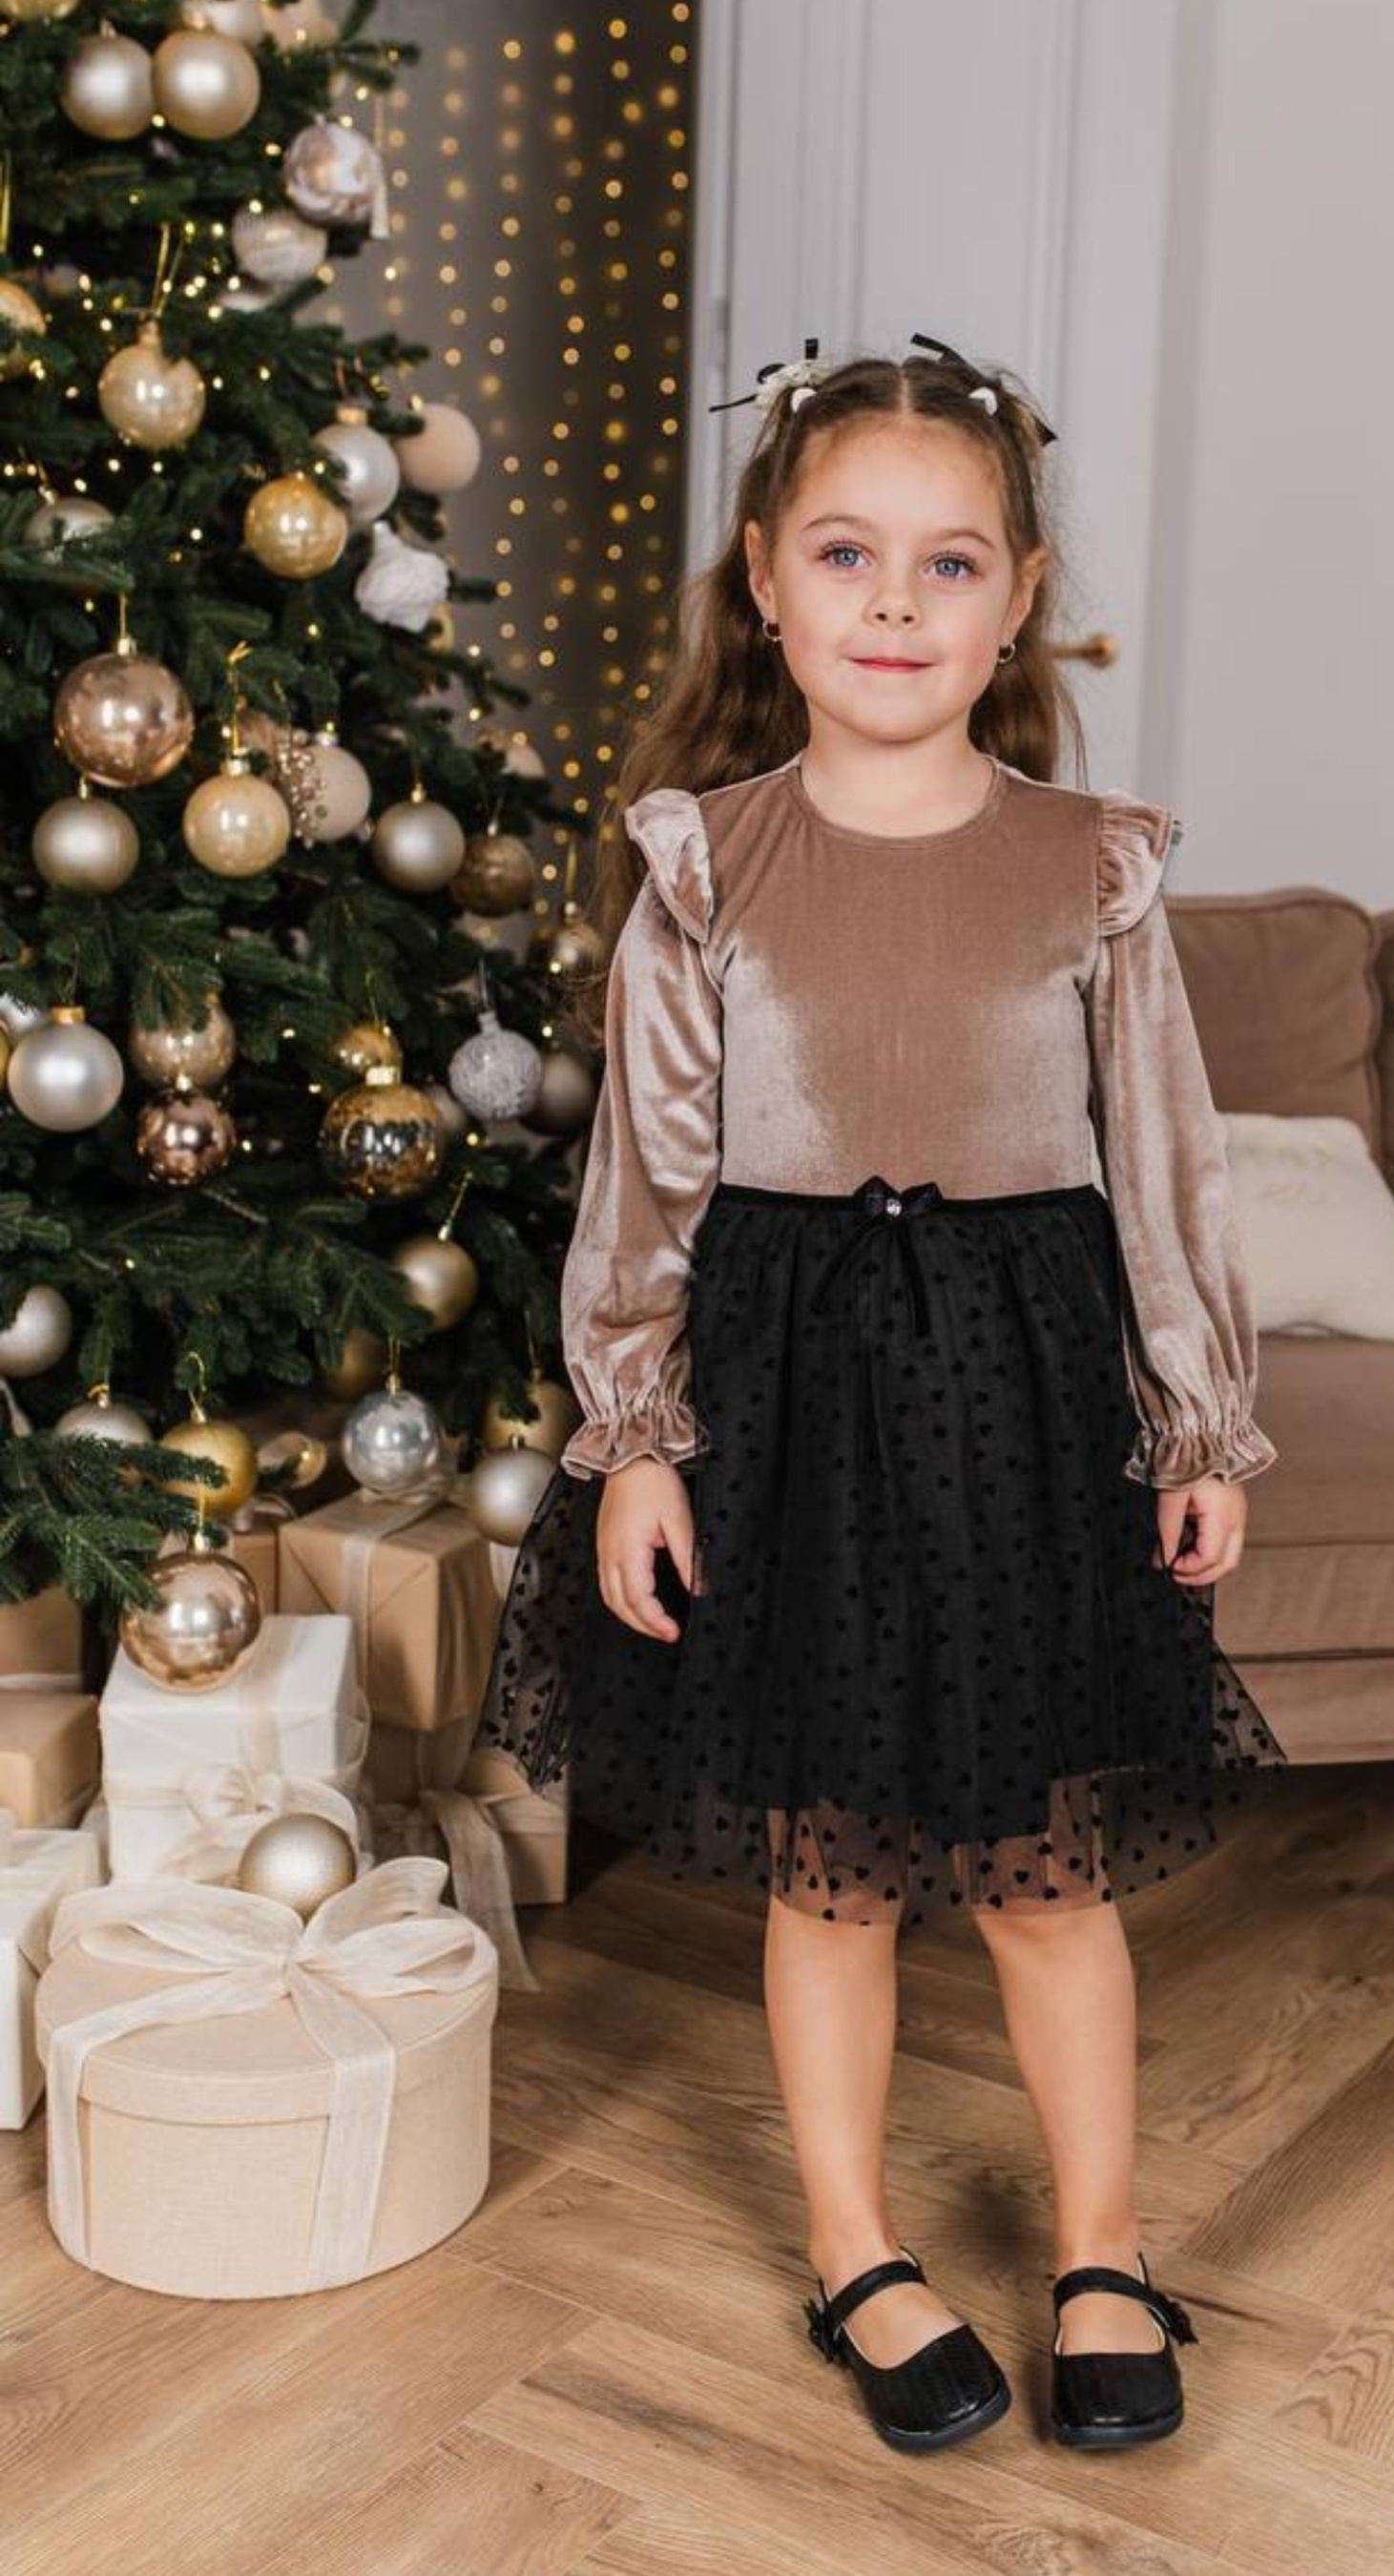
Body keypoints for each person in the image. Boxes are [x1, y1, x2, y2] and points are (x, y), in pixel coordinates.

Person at [475, 328, 1293, 2456]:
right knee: (826, 1864)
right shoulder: (704, 865)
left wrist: (1195, 1423)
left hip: (1027, 1397)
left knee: (1042, 1869)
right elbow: (642, 1186)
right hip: (786, 1401)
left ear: (1017, 601)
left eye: (950, 563)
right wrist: (636, 1449)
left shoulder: (1091, 866)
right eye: (847, 555)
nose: (897, 604)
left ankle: (1102, 2248)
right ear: (765, 581)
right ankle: (856, 2247)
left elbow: (1166, 1167)